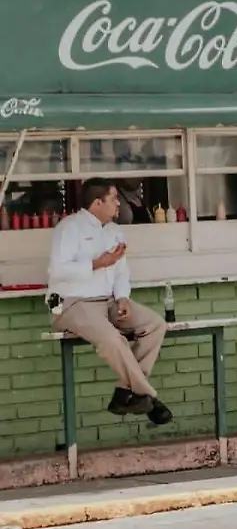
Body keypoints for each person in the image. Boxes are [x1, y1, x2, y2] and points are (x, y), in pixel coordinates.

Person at [46, 178, 173, 424]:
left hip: (108, 301)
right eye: (114, 198)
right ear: (97, 202)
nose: (118, 204)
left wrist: (123, 297)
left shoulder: (115, 231)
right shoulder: (69, 228)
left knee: (155, 325)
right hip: (73, 303)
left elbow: (120, 272)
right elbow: (57, 270)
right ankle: (148, 396)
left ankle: (126, 391)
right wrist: (96, 264)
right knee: (113, 340)